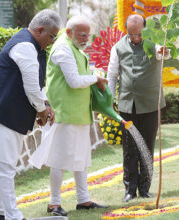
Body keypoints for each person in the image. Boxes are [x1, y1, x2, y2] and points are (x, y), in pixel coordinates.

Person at [0, 9, 61, 220]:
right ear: (40, 30)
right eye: (51, 36)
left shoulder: (30, 44)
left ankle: (1, 213)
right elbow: (30, 86)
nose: (52, 40)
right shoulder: (25, 46)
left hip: (3, 115)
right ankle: (12, 216)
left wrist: (45, 104)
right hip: (5, 116)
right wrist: (41, 111)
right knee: (5, 167)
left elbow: (36, 85)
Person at [41, 16, 109, 216]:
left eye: (88, 34)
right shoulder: (63, 48)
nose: (86, 38)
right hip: (64, 114)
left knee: (82, 158)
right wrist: (96, 78)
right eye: (82, 34)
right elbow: (73, 81)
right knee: (59, 160)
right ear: (69, 32)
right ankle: (54, 203)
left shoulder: (74, 47)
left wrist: (94, 75)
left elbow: (80, 75)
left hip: (78, 114)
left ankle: (83, 200)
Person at [107, 14, 170, 203]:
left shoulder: (154, 44)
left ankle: (145, 189)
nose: (135, 38)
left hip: (151, 105)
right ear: (126, 30)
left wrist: (165, 52)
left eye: (139, 34)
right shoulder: (117, 48)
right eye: (132, 34)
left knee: (147, 148)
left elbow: (164, 53)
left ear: (145, 29)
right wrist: (110, 99)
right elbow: (112, 74)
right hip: (128, 105)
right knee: (129, 149)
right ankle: (129, 189)